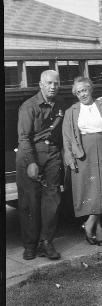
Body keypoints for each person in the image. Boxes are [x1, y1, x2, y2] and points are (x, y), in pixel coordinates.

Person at [62, 76, 102, 246]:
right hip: (83, 152)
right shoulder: (71, 111)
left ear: (90, 89)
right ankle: (98, 229)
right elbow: (67, 138)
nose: (82, 94)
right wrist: (69, 157)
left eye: (84, 90)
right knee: (90, 191)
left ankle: (91, 224)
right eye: (78, 92)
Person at [16, 70, 67, 260]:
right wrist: (30, 163)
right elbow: (23, 138)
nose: (53, 87)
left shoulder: (61, 104)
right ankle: (30, 245)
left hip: (53, 154)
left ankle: (47, 243)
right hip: (31, 154)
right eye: (49, 83)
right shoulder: (29, 106)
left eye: (56, 83)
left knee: (51, 201)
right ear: (41, 85)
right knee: (29, 202)